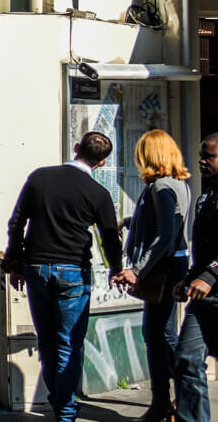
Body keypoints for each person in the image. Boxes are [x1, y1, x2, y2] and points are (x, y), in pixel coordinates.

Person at [1, 131, 123, 422]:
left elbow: (17, 222)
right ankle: (65, 411)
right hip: (74, 271)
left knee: (47, 341)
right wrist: (117, 268)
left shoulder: (40, 177)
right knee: (68, 343)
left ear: (77, 147)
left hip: (37, 267)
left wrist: (15, 259)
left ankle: (61, 404)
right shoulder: (98, 194)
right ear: (103, 162)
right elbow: (109, 237)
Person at [111, 130, 191, 422]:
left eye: (141, 152)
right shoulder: (176, 183)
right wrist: (130, 221)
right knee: (162, 332)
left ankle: (167, 401)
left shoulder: (161, 188)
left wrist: (137, 269)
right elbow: (165, 222)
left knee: (156, 334)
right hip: (174, 264)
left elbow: (165, 236)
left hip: (165, 268)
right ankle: (177, 397)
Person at [172, 133, 218, 422]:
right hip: (203, 299)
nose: (201, 160)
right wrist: (189, 278)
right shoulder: (205, 198)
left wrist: (211, 274)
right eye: (201, 154)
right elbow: (203, 250)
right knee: (187, 359)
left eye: (209, 156)